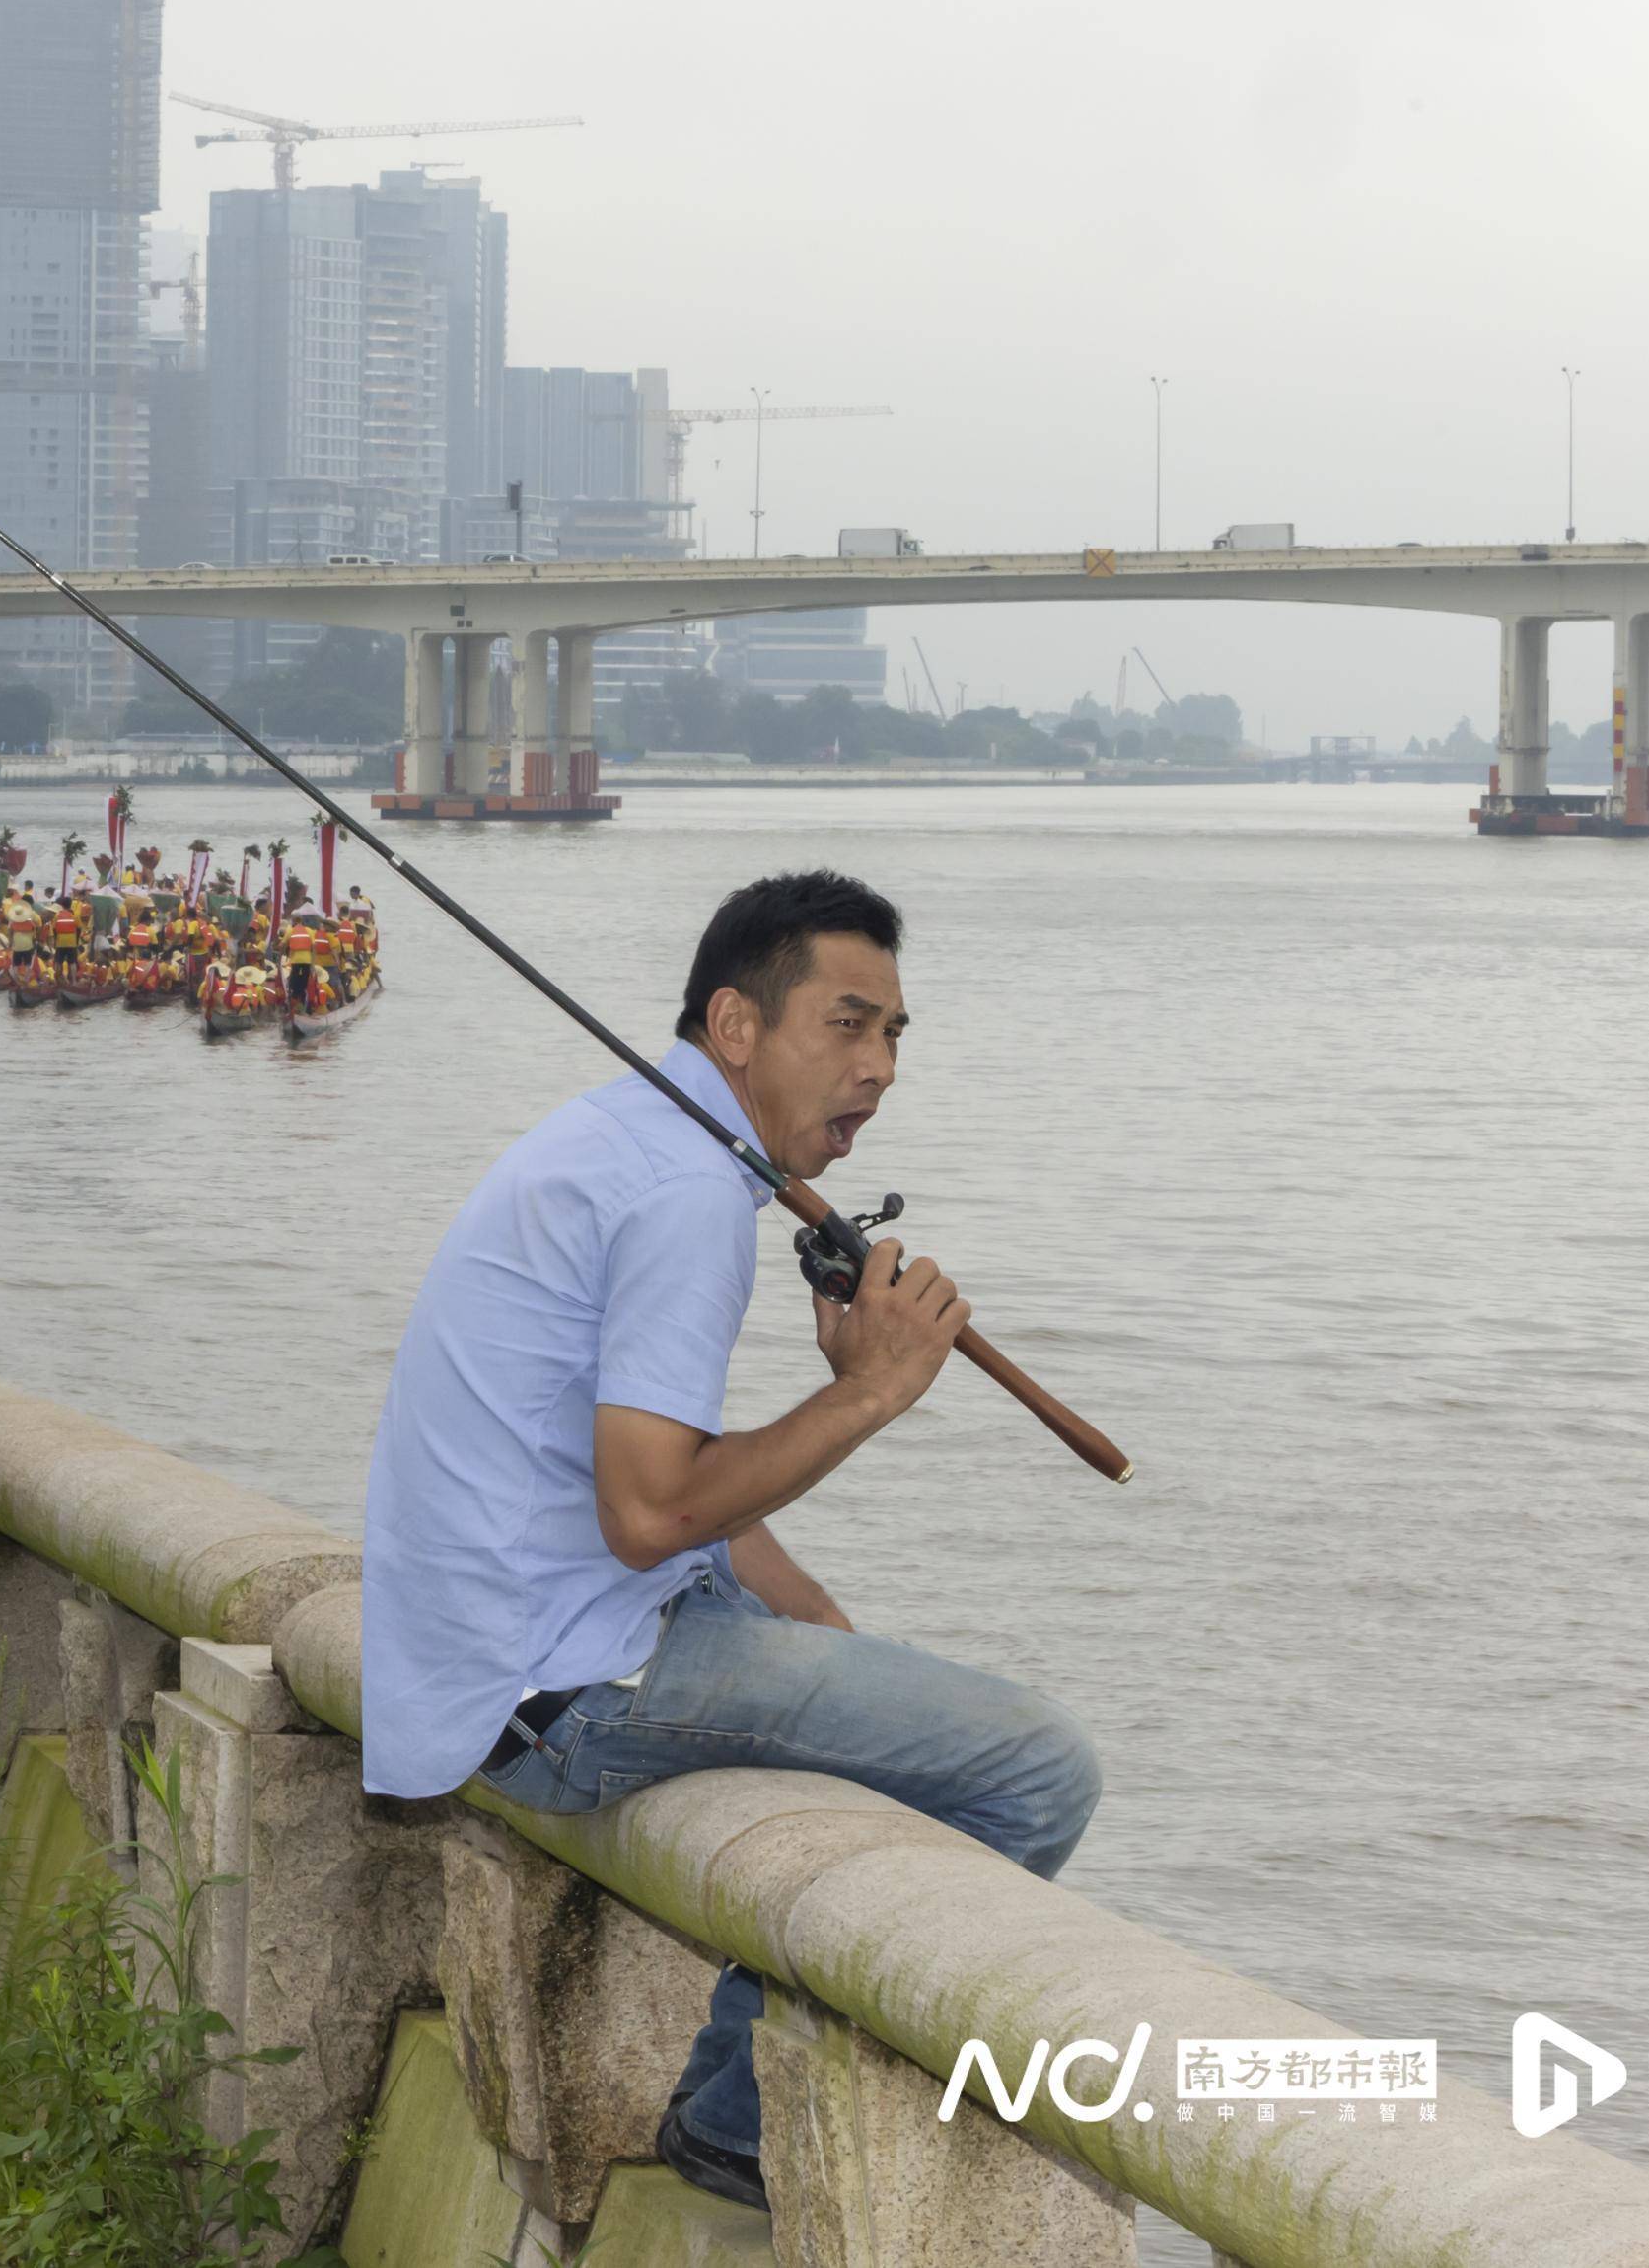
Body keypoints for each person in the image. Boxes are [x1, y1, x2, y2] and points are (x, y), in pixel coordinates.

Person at [355, 870, 1099, 2222]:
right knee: (1037, 1771)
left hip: (490, 1644)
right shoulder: (688, 1197)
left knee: (853, 1677)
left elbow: (661, 1487)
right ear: (737, 1025)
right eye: (849, 1025)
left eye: (896, 1037)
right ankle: (735, 2117)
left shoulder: (629, 1135)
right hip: (557, 1689)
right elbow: (647, 1514)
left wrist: (814, 1621)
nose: (877, 1070)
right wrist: (866, 1390)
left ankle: (748, 2084)